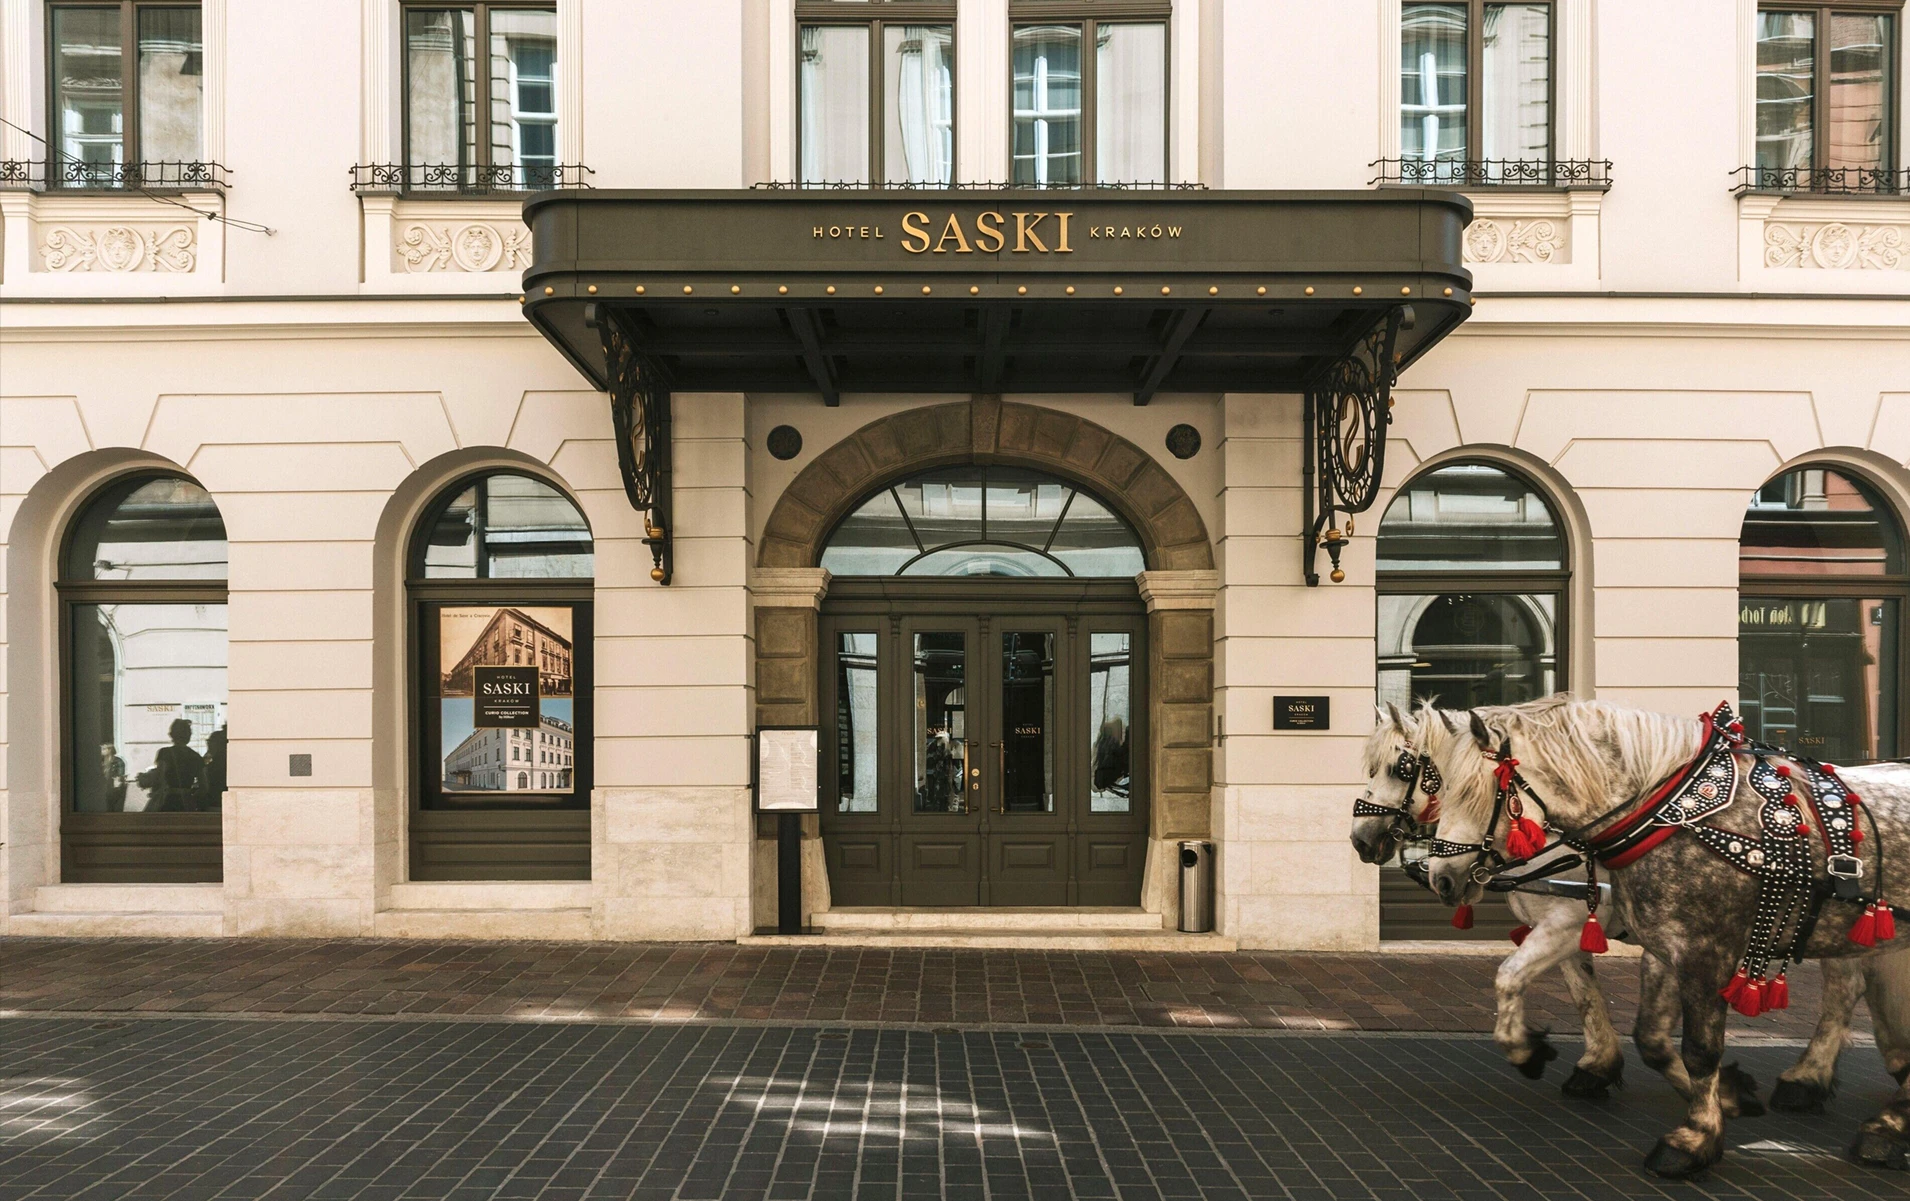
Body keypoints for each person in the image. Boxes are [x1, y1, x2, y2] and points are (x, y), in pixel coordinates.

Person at [142, 719, 206, 812]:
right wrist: (191, 798)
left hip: (168, 800)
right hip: (187, 803)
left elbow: (159, 777)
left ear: (172, 735)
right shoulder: (196, 757)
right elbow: (204, 786)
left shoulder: (165, 753)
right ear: (189, 736)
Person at [99, 744, 128, 812]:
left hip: (114, 787)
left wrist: (118, 781)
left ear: (109, 750)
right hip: (104, 787)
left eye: (103, 749)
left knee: (114, 808)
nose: (101, 751)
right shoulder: (101, 761)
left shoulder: (118, 761)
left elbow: (120, 775)